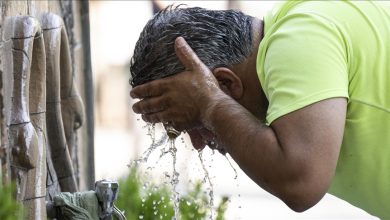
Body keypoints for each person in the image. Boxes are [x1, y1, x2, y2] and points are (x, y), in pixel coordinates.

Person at [129, 2, 390, 218]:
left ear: (225, 83)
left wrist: (210, 104)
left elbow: (300, 184)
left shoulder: (299, 37)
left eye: (195, 123)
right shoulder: (296, 27)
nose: (197, 143)